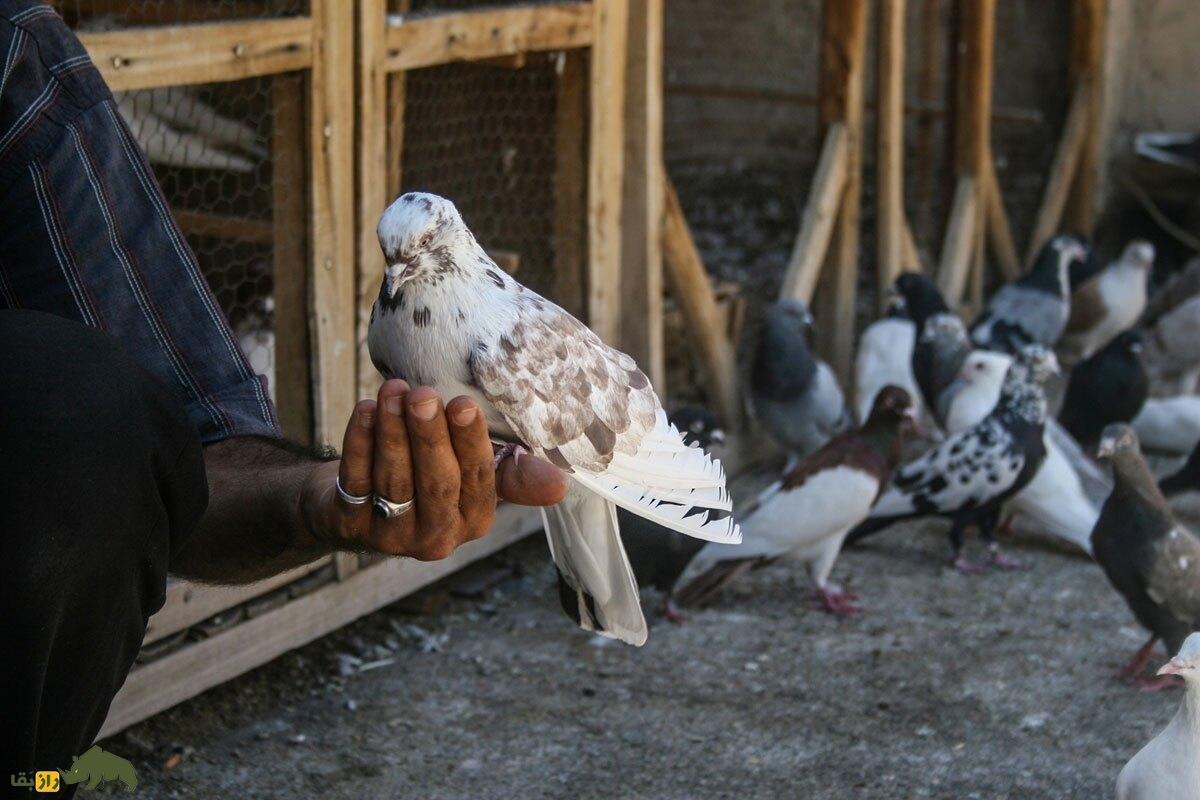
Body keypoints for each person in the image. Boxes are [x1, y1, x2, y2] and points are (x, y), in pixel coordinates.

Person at [0, 0, 568, 784]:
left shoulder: (14, 59)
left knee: (81, 395)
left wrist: (321, 499)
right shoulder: (394, 323)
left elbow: (188, 443)